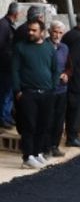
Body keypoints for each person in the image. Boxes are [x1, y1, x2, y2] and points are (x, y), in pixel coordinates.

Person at [12, 19, 57, 169]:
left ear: (42, 32)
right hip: (28, 93)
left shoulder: (49, 47)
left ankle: (37, 153)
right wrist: (18, 90)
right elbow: (15, 70)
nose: (30, 32)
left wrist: (53, 86)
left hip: (46, 93)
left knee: (43, 125)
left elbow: (55, 69)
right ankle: (27, 157)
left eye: (34, 30)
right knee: (29, 126)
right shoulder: (20, 47)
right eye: (29, 30)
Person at [62, 13, 80, 148]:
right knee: (77, 109)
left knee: (71, 108)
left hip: (72, 79)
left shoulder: (69, 34)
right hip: (78, 80)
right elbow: (72, 59)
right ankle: (72, 137)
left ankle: (71, 135)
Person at [45, 21, 72, 157]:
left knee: (59, 119)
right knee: (47, 119)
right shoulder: (43, 46)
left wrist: (66, 74)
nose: (57, 35)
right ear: (49, 31)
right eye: (55, 31)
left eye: (60, 33)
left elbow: (69, 66)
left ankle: (54, 146)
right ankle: (45, 147)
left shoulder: (64, 48)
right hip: (47, 90)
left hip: (62, 89)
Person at [0, 2, 22, 129]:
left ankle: (6, 117)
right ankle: (3, 118)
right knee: (5, 93)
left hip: (7, 65)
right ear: (15, 14)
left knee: (7, 94)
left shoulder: (6, 25)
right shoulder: (3, 25)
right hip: (4, 66)